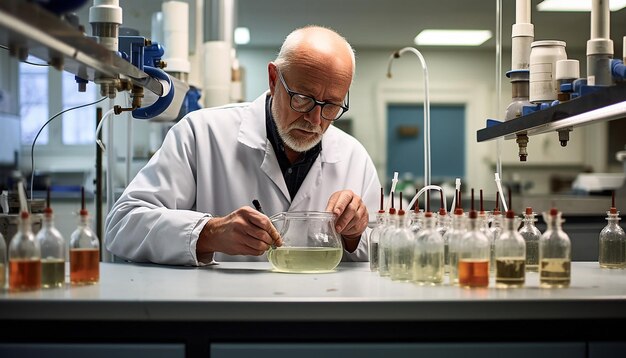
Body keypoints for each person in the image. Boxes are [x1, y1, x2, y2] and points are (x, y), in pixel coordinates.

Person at [104, 25, 381, 266]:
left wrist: (354, 235)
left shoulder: (353, 157)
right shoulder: (202, 133)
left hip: (317, 314)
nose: (315, 119)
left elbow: (384, 249)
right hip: (223, 314)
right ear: (274, 79)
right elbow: (122, 225)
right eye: (303, 98)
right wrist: (209, 233)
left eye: (331, 105)